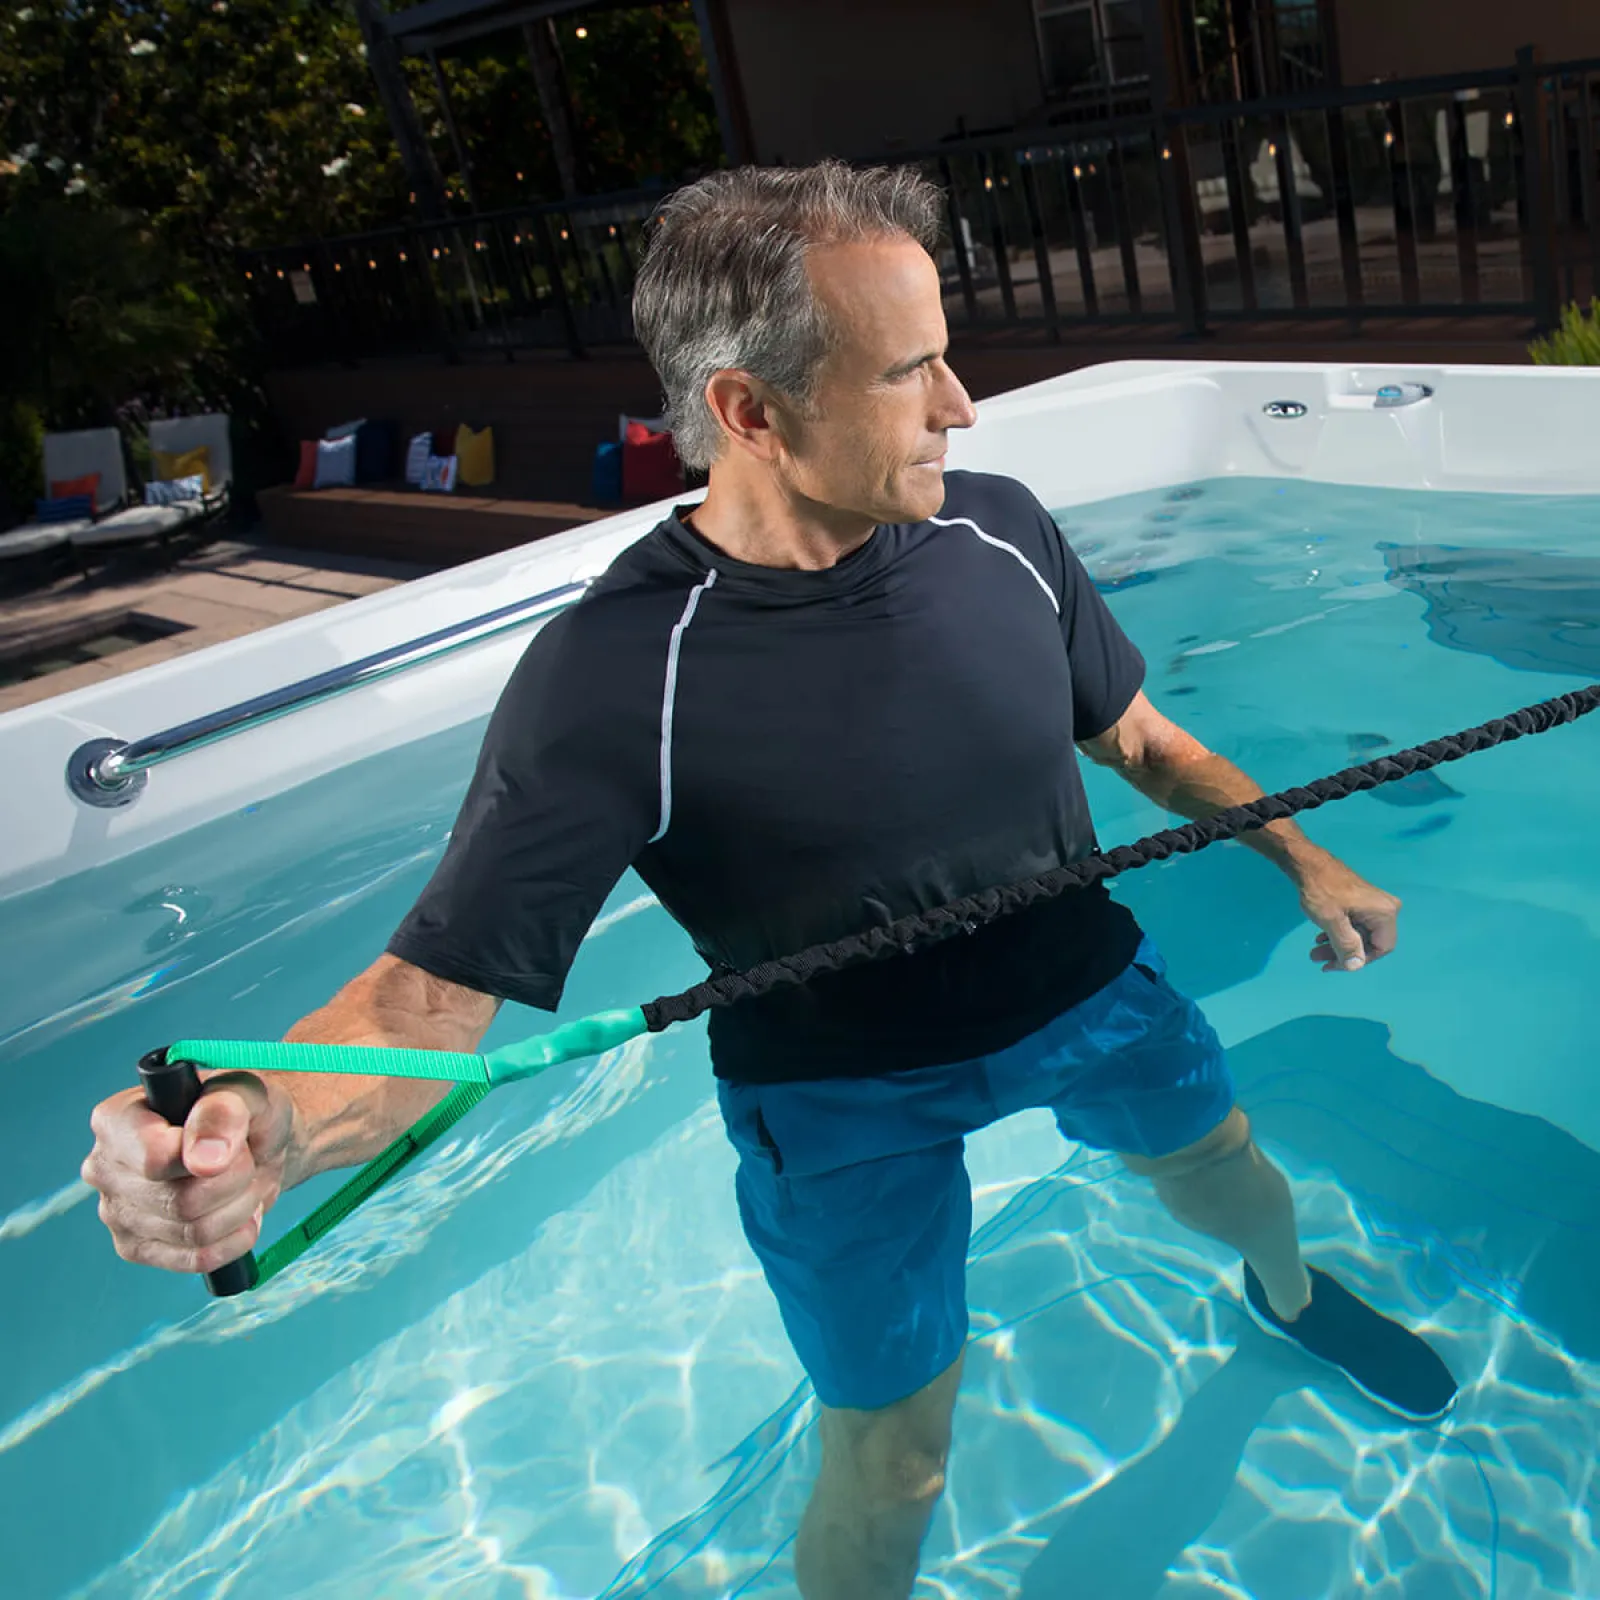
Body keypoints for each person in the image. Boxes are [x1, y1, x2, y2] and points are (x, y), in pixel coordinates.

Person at [83, 161, 1455, 1600]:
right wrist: (259, 1127)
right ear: (749, 411)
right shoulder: (615, 680)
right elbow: (422, 1011)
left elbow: (1140, 739)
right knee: (896, 1458)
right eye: (909, 370)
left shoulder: (1001, 531)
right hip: (837, 1103)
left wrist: (1307, 857)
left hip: (1084, 992)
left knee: (1230, 1177)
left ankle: (1288, 1299)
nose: (961, 406)